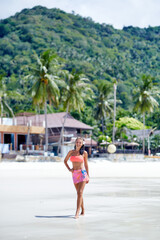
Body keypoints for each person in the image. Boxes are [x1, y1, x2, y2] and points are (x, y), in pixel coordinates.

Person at [64, 137, 89, 219]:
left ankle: (77, 212)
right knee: (79, 193)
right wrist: (69, 169)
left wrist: (88, 175)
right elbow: (65, 160)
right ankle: (83, 209)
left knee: (80, 192)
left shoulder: (84, 153)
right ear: (75, 143)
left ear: (82, 144)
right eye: (77, 142)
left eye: (80, 143)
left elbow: (86, 165)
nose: (78, 144)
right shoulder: (71, 152)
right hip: (74, 174)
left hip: (82, 173)